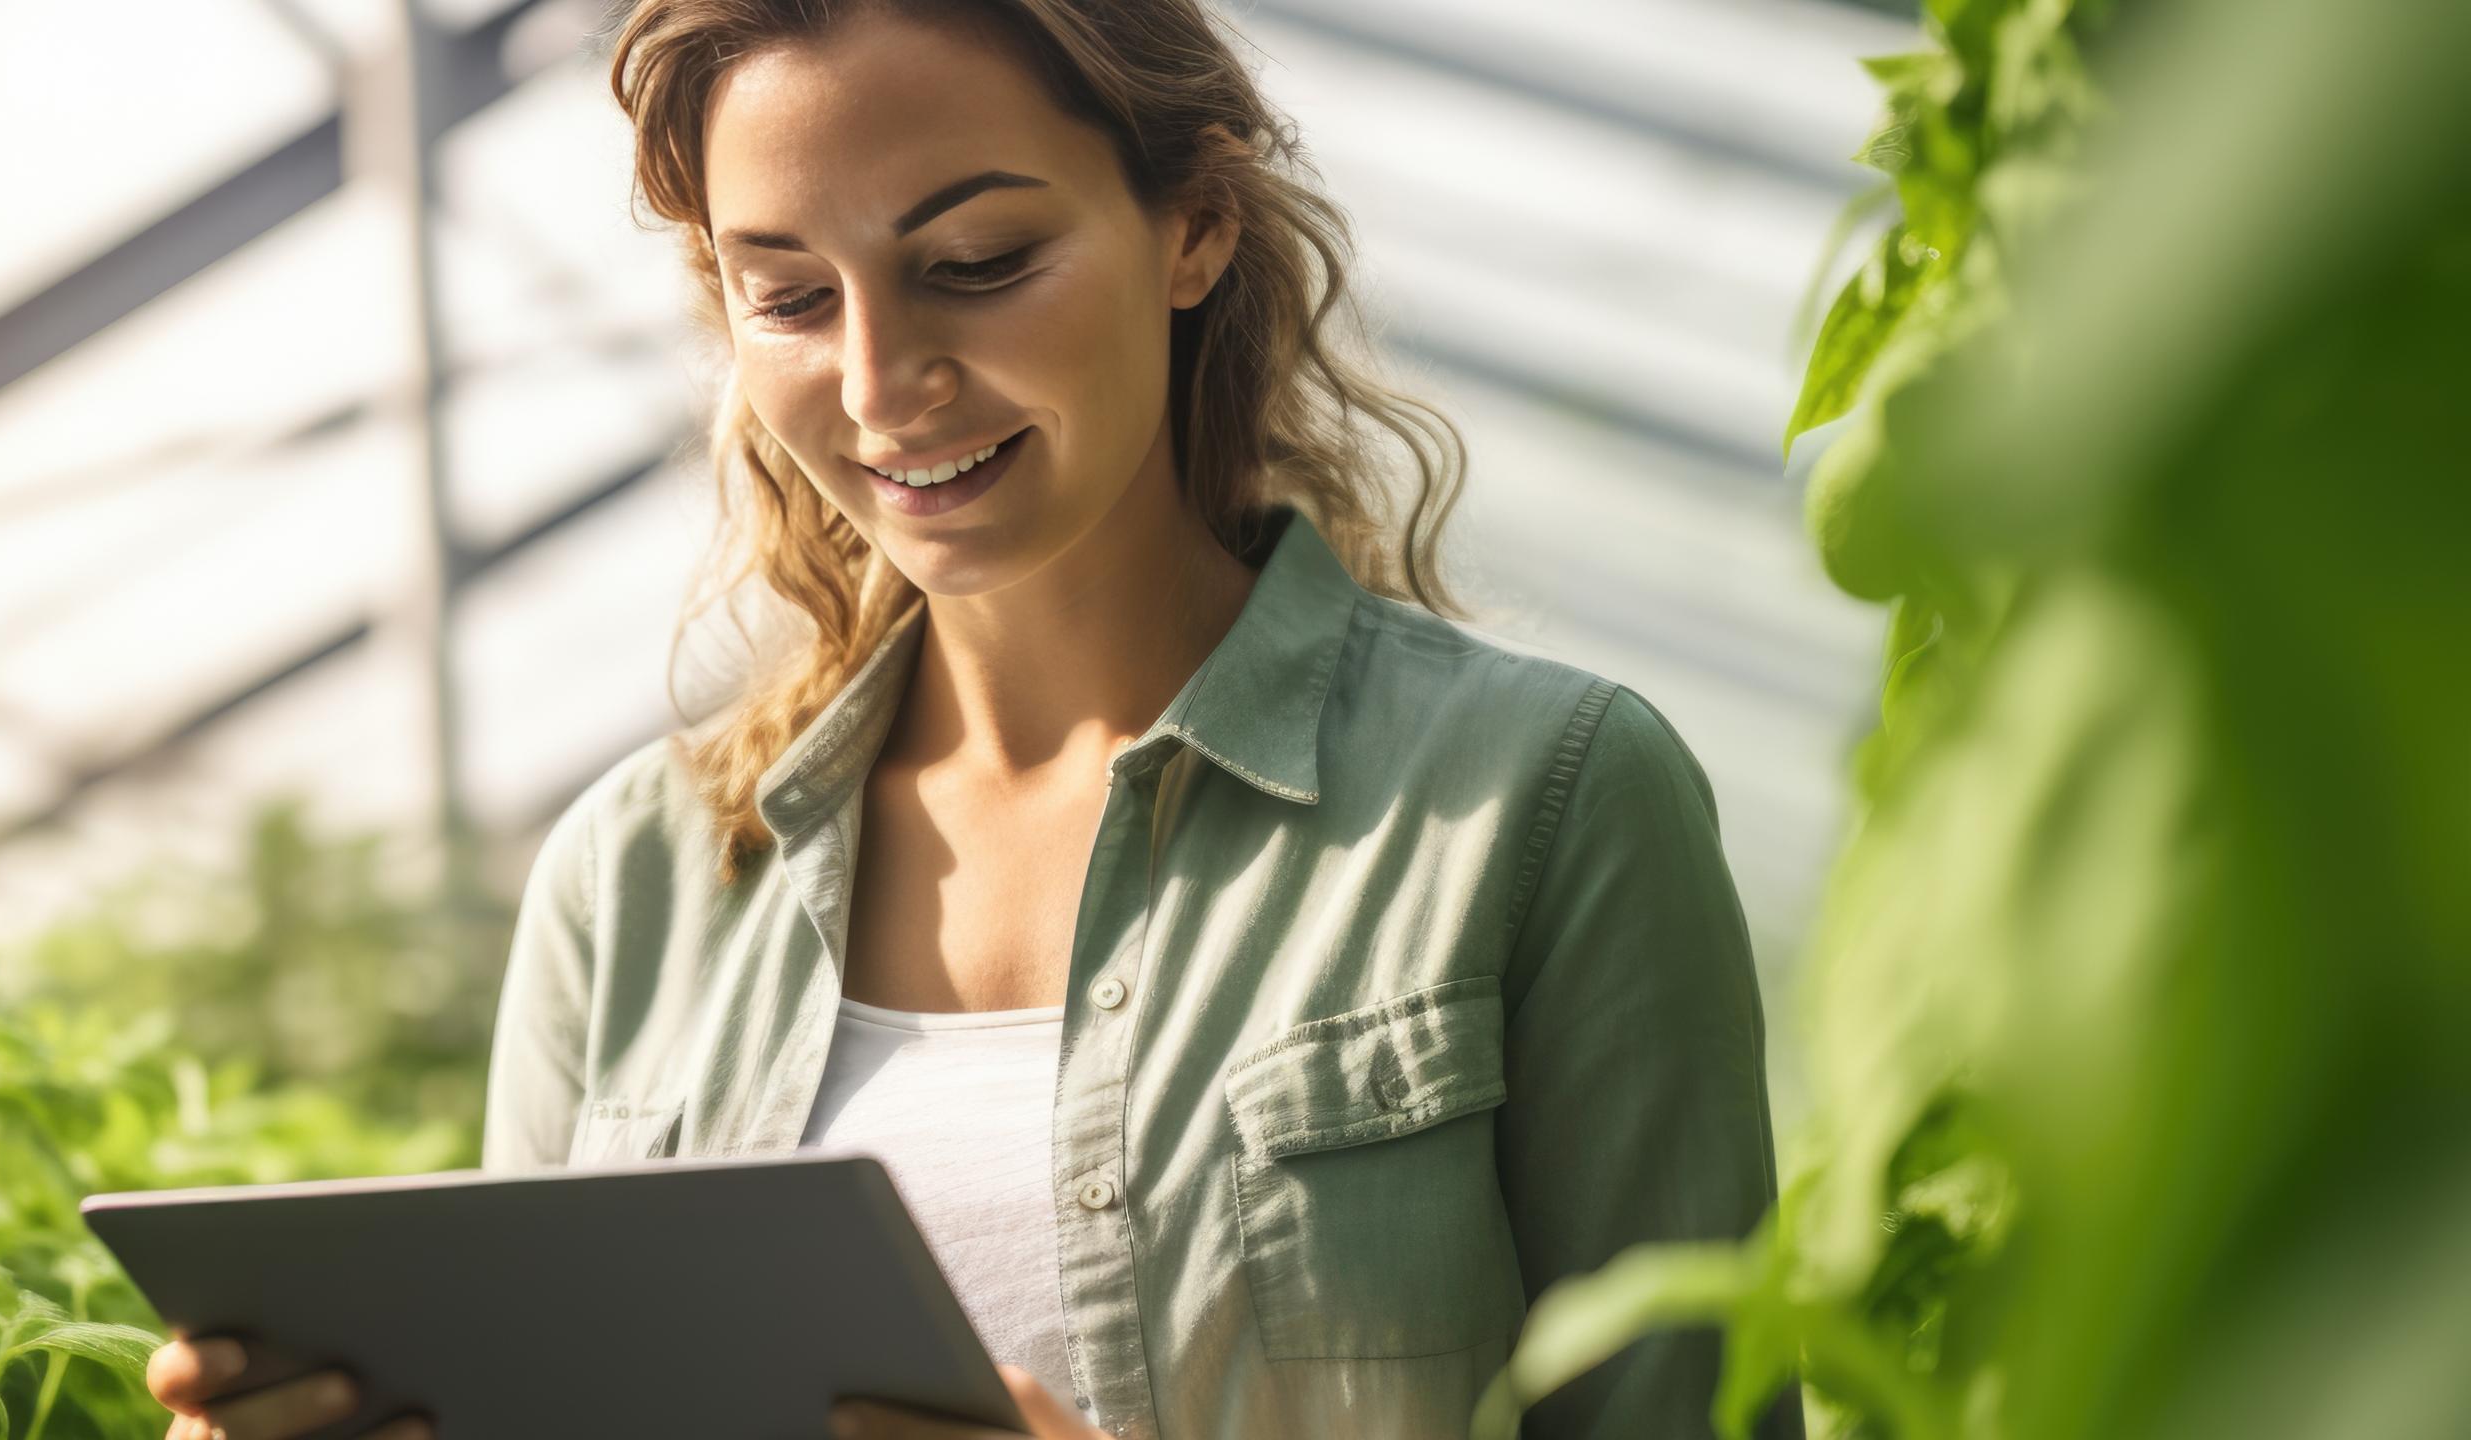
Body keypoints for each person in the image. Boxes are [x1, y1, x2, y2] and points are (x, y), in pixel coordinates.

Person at [144, 0, 1784, 1435]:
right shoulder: (632, 880)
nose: (877, 383)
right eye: (786, 296)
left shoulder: (1540, 802)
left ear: (1195, 228)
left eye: (977, 264)